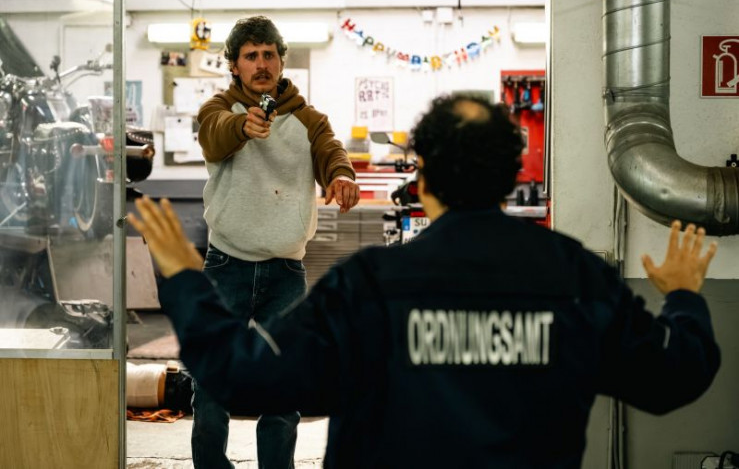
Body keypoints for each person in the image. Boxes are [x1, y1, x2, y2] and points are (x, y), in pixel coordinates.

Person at [129, 93, 720, 468]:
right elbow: (674, 378)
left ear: (424, 179)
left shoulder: (366, 286)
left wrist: (186, 279)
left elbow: (245, 379)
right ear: (512, 176)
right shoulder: (577, 278)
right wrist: (684, 297)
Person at [193, 15, 359, 469]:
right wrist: (242, 127)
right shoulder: (218, 109)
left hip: (286, 271)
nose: (262, 64)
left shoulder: (308, 119)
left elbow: (330, 150)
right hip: (226, 265)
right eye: (251, 56)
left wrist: (341, 174)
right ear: (234, 65)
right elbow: (214, 135)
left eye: (269, 55)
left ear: (282, 62)